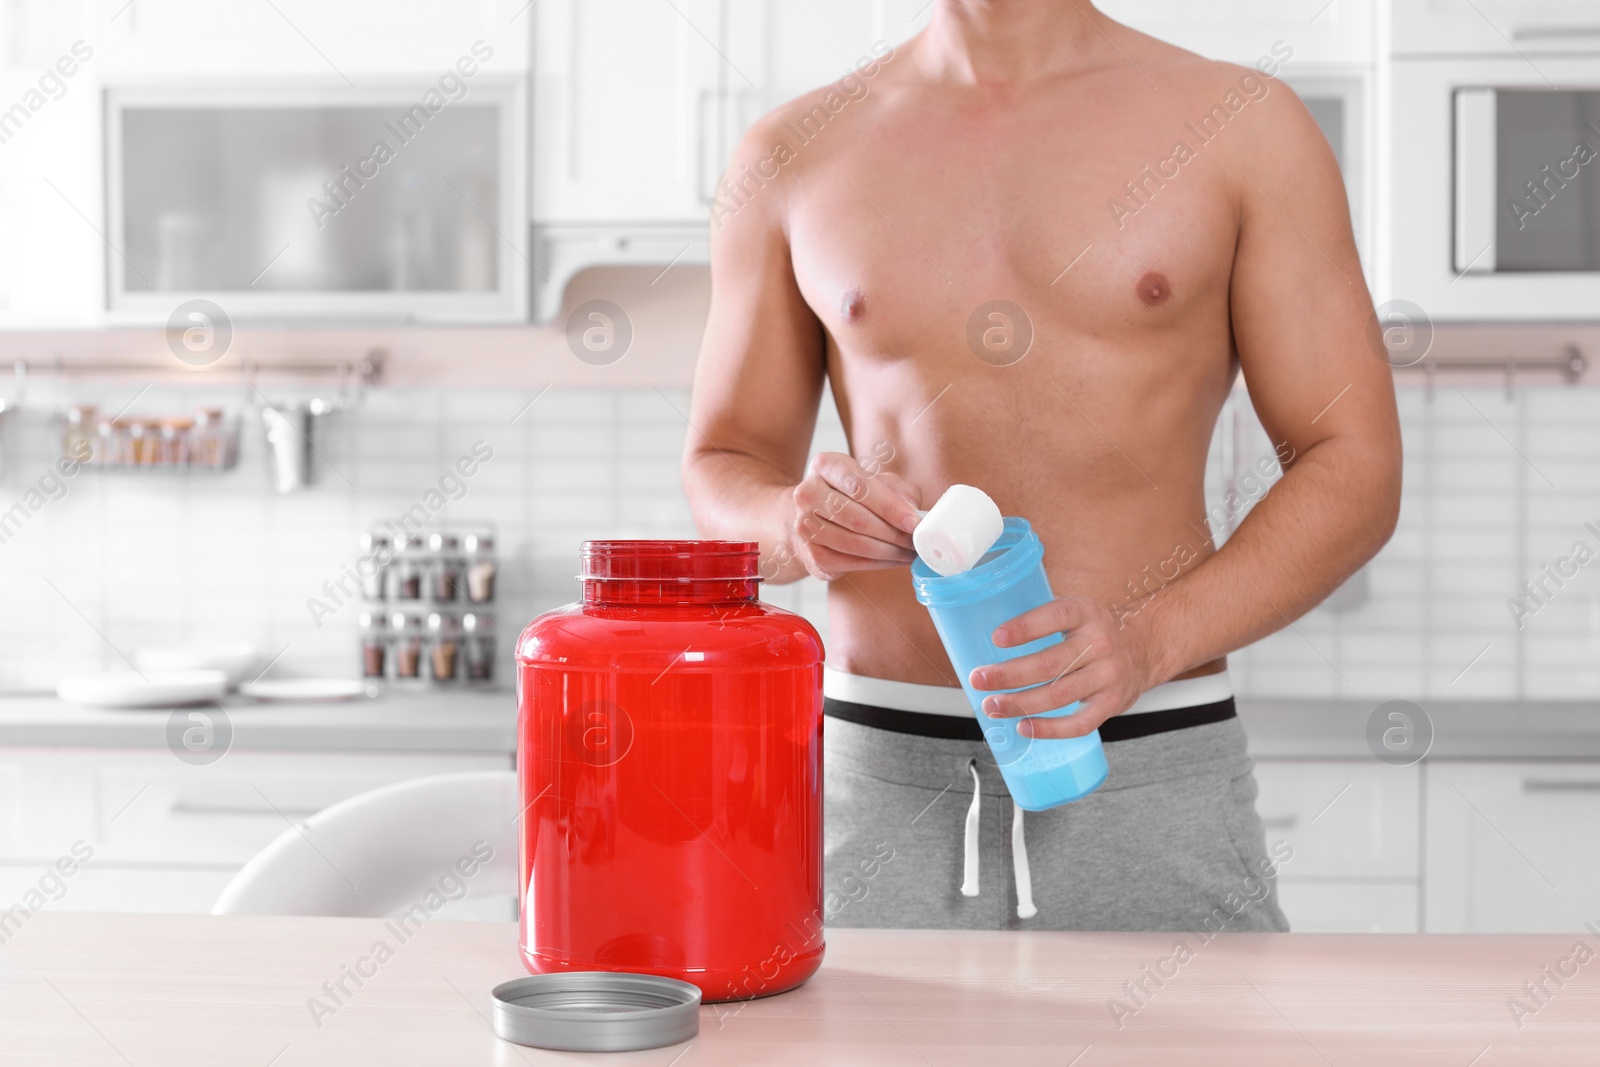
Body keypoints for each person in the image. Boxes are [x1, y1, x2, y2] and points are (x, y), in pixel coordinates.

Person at [681, 0, 1401, 932]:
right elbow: (721, 465)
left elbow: (1357, 465)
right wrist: (789, 522)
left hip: (1150, 761)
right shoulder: (790, 154)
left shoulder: (1243, 127)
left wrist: (1149, 641)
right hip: (875, 781)